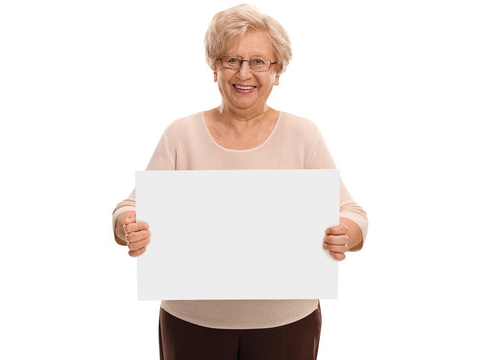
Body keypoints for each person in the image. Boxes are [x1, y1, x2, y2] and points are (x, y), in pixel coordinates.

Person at [112, 4, 368, 359]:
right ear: (214, 68)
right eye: (230, 60)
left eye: (259, 61)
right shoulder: (180, 135)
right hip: (190, 321)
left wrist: (345, 232)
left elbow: (353, 213)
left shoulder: (303, 136)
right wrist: (127, 227)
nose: (243, 73)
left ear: (277, 72)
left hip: (287, 322)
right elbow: (129, 207)